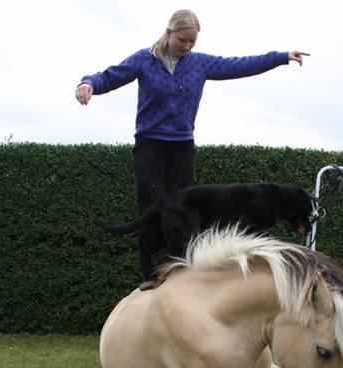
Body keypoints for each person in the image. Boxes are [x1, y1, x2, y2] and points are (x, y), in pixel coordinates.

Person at [76, 9, 309, 290]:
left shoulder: (199, 64)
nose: (186, 47)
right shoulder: (144, 60)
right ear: (169, 33)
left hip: (182, 149)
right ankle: (150, 275)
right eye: (182, 40)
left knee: (184, 211)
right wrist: (88, 83)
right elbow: (110, 76)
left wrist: (281, 57)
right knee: (152, 208)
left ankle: (180, 271)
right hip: (150, 146)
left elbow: (239, 65)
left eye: (192, 43)